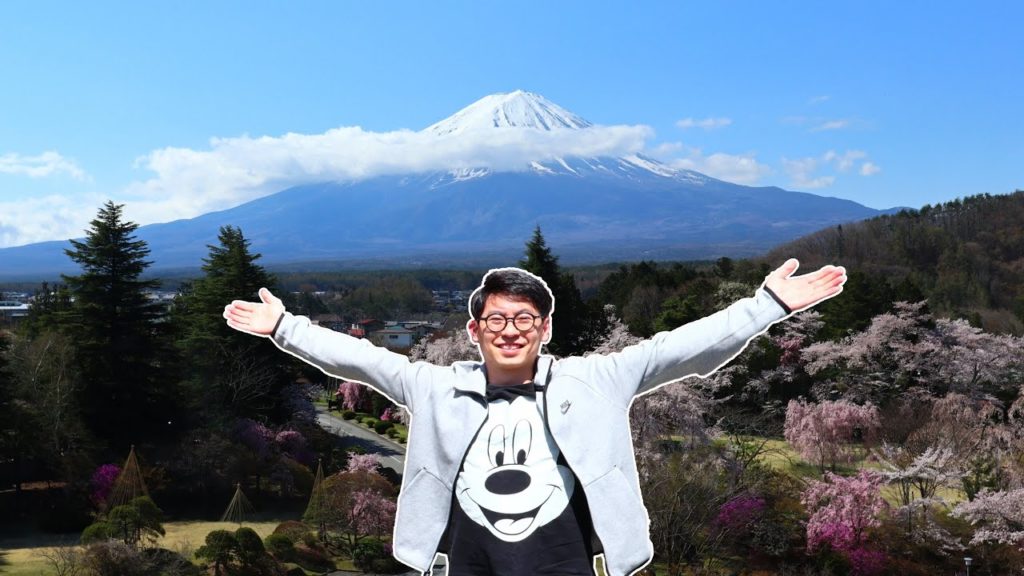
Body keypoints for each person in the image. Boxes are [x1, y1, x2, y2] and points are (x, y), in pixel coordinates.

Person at [224, 259, 845, 576]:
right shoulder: (434, 386)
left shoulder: (595, 380)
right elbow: (359, 358)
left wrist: (765, 306)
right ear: (474, 330)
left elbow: (679, 347)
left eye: (525, 319)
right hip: (466, 564)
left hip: (564, 562)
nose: (510, 330)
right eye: (496, 319)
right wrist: (286, 327)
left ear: (545, 329)